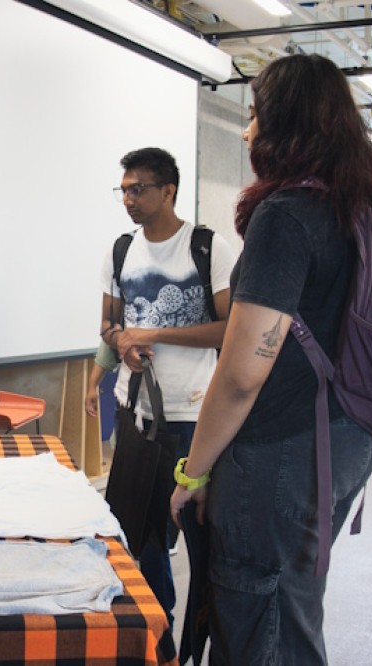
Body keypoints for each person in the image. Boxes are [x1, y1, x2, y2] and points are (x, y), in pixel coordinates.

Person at [168, 53, 372, 664]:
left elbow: (244, 373)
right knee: (294, 606)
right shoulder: (366, 211)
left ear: (286, 125)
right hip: (345, 438)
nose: (247, 131)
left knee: (257, 620)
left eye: (254, 116)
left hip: (281, 455)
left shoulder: (286, 217)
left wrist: (193, 472)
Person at [99, 147, 236, 635]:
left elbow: (228, 332)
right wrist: (124, 345)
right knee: (139, 534)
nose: (128, 199)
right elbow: (110, 324)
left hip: (191, 414)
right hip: (132, 411)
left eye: (138, 189)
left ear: (168, 191)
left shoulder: (209, 247)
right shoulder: (120, 249)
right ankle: (152, 636)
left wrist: (152, 334)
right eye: (124, 190)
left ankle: (182, 637)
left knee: (183, 535)